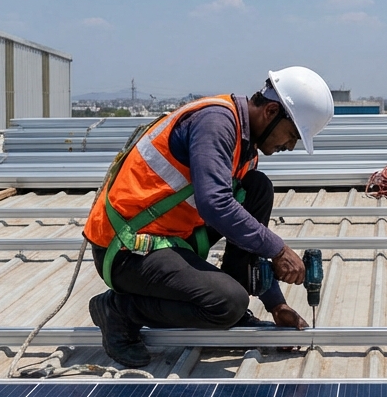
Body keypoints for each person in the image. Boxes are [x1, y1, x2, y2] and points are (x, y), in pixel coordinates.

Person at [82, 67, 335, 367]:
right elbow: (214, 204)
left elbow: (241, 225)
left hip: (169, 238)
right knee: (227, 303)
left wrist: (276, 304)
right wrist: (279, 250)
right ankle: (119, 310)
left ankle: (232, 303)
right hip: (128, 249)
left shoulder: (246, 146)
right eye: (292, 135)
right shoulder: (216, 123)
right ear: (270, 111)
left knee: (257, 188)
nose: (290, 146)